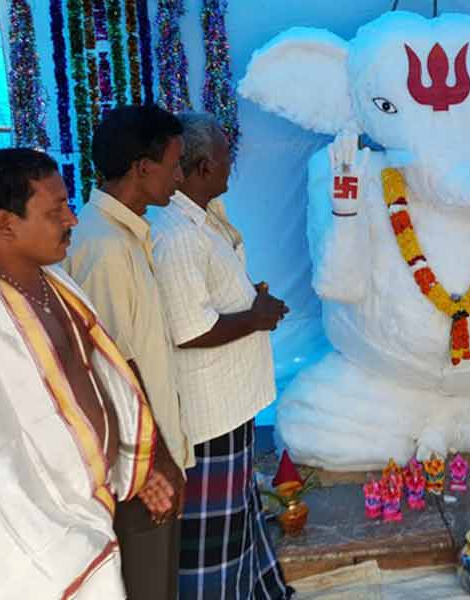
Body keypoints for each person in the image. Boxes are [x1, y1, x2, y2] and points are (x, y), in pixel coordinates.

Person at [0, 148, 167, 598]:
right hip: (38, 532)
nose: (73, 219)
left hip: (96, 504)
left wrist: (137, 462)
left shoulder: (56, 283)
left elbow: (100, 378)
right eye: (56, 210)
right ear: (6, 225)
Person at [148, 112, 293, 599]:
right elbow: (190, 330)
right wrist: (256, 316)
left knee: (240, 518)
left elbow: (205, 298)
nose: (234, 166)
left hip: (230, 402)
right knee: (216, 539)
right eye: (229, 156)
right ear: (205, 166)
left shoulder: (201, 217)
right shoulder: (176, 235)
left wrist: (251, 299)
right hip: (208, 415)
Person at [64, 105, 193, 600]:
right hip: (138, 468)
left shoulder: (125, 236)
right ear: (143, 168)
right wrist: (157, 460)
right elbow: (116, 370)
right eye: (174, 164)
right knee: (147, 586)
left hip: (148, 456)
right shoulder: (106, 248)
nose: (179, 176)